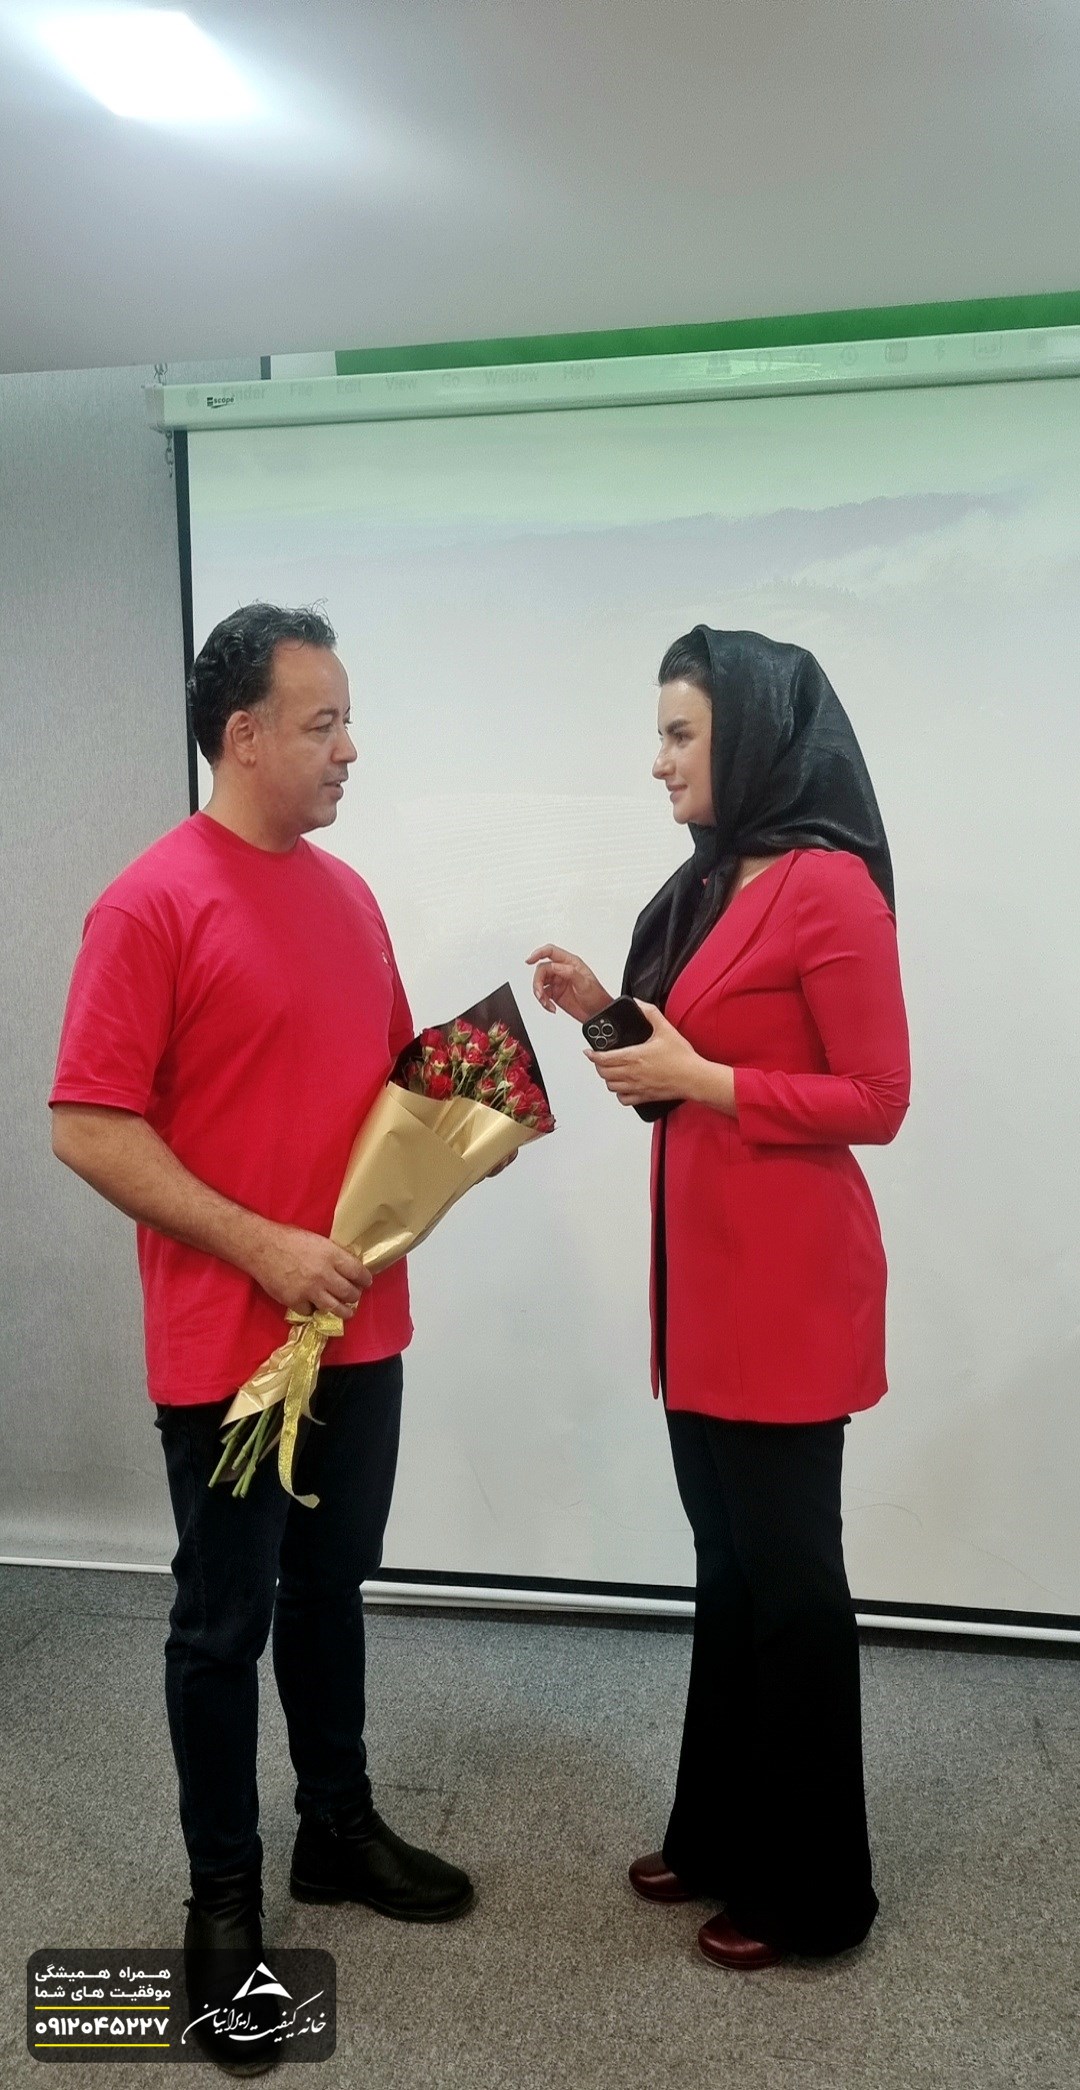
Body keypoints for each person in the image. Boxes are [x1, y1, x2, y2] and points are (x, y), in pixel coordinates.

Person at [50, 604, 473, 2074]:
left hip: (358, 1329)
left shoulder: (351, 897)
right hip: (232, 1349)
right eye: (322, 722)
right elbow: (87, 1124)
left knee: (332, 1584)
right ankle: (221, 1902)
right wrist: (260, 1243)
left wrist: (460, 1142)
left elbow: (389, 1093)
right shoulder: (149, 904)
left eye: (346, 720)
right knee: (222, 1620)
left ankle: (336, 1830)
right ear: (242, 736)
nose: (350, 748)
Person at [527, 625, 909, 1971]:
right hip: (702, 1289)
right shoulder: (710, 882)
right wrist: (604, 1010)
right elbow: (674, 1063)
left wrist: (704, 1080)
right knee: (730, 1569)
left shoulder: (830, 888)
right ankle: (721, 1834)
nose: (661, 760)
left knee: (793, 1586)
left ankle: (816, 1896)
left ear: (751, 740)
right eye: (663, 734)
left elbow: (878, 1098)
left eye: (681, 734)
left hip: (789, 1293)